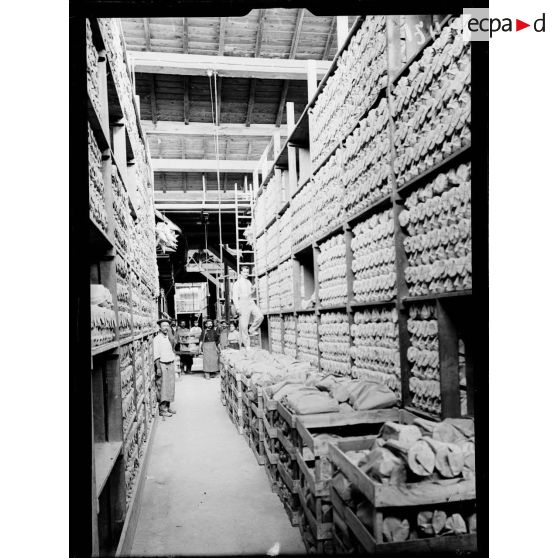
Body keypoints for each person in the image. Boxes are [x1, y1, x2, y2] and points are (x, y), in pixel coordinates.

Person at [232, 265, 264, 348]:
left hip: (250, 302)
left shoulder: (248, 282)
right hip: (242, 304)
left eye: (247, 272)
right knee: (244, 326)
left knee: (260, 316)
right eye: (245, 272)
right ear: (241, 272)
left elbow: (250, 292)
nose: (246, 274)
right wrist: (238, 308)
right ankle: (247, 346)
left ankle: (252, 329)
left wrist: (254, 286)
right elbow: (235, 297)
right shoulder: (237, 283)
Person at [153, 318, 176, 417]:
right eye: (164, 326)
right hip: (162, 364)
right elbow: (156, 355)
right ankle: (162, 409)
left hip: (170, 363)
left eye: (167, 326)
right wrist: (158, 368)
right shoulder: (157, 339)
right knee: (163, 386)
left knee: (170, 386)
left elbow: (174, 344)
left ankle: (167, 406)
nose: (166, 328)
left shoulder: (168, 337)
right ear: (160, 327)